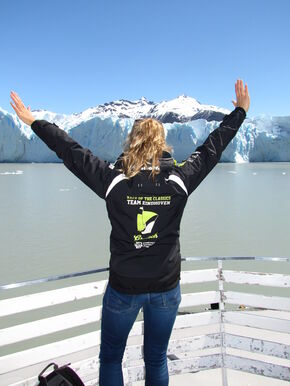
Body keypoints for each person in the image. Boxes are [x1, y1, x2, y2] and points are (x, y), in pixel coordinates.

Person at [10, 79, 250, 386]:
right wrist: (240, 112)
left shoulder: (113, 181)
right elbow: (212, 148)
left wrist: (34, 122)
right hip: (165, 288)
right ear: (162, 144)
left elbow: (70, 150)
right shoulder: (179, 180)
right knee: (156, 358)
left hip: (124, 289)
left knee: (111, 358)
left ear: (131, 141)